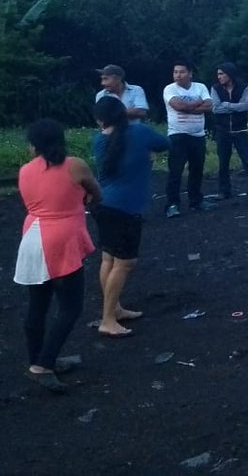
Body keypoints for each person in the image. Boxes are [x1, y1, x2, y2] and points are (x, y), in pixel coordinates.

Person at [14, 119, 102, 394]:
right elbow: (95, 191)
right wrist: (84, 198)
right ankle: (43, 364)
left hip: (32, 238)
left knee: (38, 305)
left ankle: (37, 359)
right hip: (62, 241)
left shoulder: (25, 170)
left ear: (34, 145)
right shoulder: (75, 165)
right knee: (70, 307)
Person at [92, 96, 170, 337]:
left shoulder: (98, 140)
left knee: (108, 259)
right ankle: (107, 319)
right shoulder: (140, 133)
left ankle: (114, 309)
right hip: (125, 208)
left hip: (102, 205)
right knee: (125, 263)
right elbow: (165, 143)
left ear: (100, 119)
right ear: (124, 113)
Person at [162, 61, 216, 217]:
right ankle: (172, 204)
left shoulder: (200, 87)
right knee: (175, 171)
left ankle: (196, 200)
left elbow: (209, 106)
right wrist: (198, 104)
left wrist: (190, 106)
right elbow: (179, 107)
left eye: (181, 72)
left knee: (197, 169)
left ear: (190, 73)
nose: (178, 75)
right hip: (177, 134)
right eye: (175, 72)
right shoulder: (170, 89)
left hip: (198, 134)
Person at [210, 62, 248, 200]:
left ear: (229, 74)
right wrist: (234, 106)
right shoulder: (215, 88)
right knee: (223, 161)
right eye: (218, 74)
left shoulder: (244, 87)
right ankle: (224, 191)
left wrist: (226, 105)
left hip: (240, 129)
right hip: (222, 130)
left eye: (221, 74)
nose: (218, 77)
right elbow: (215, 109)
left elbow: (245, 106)